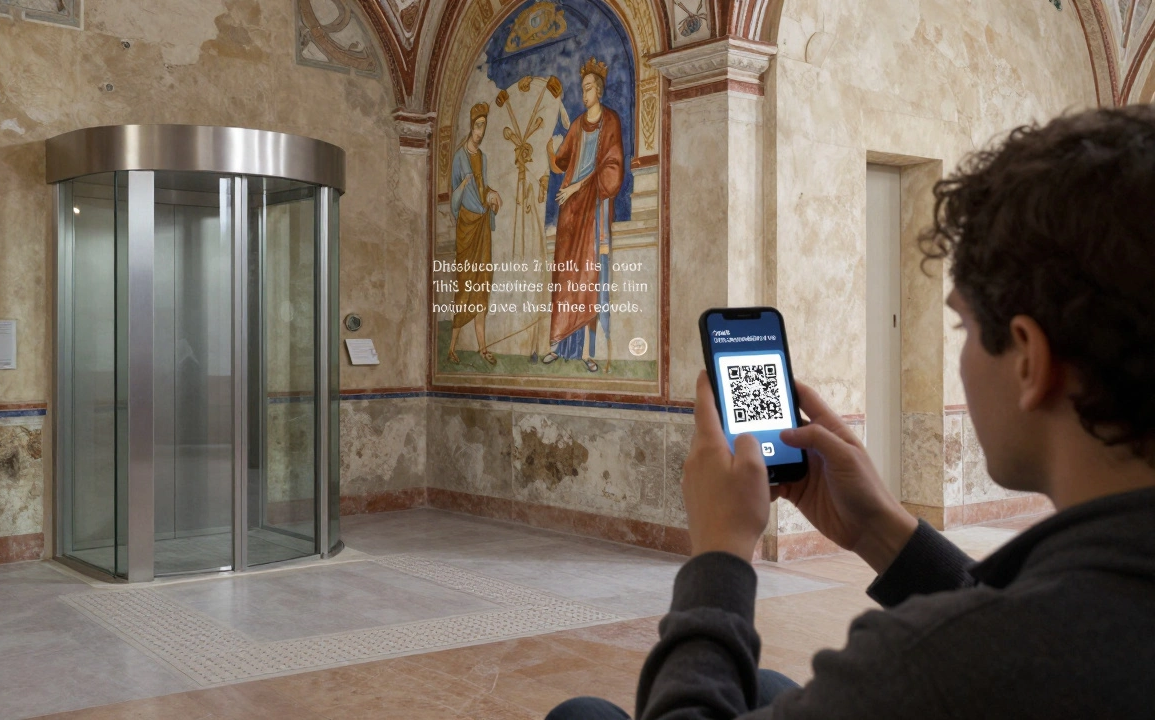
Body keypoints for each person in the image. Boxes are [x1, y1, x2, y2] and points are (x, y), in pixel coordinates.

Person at [547, 105, 1155, 718]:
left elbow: (996, 642)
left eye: (963, 327)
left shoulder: (936, 661)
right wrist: (880, 530)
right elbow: (1032, 616)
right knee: (766, 687)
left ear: (1028, 360)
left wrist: (719, 558)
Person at [542, 57, 625, 373]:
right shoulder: (577, 125)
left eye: (588, 88)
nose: (584, 93)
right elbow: (560, 162)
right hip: (571, 212)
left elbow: (613, 168)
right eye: (582, 88)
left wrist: (579, 186)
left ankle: (589, 352)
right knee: (566, 278)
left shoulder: (610, 121)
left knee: (590, 279)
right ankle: (557, 346)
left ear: (599, 90)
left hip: (593, 210)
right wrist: (550, 150)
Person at [448, 102, 503, 365]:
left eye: (484, 126)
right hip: (467, 228)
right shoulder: (459, 157)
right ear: (471, 126)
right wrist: (463, 186)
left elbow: (484, 188)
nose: (481, 132)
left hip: (482, 226)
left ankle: (482, 347)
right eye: (478, 126)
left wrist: (491, 194)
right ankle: (451, 347)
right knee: (465, 285)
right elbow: (454, 199)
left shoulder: (483, 158)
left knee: (482, 284)